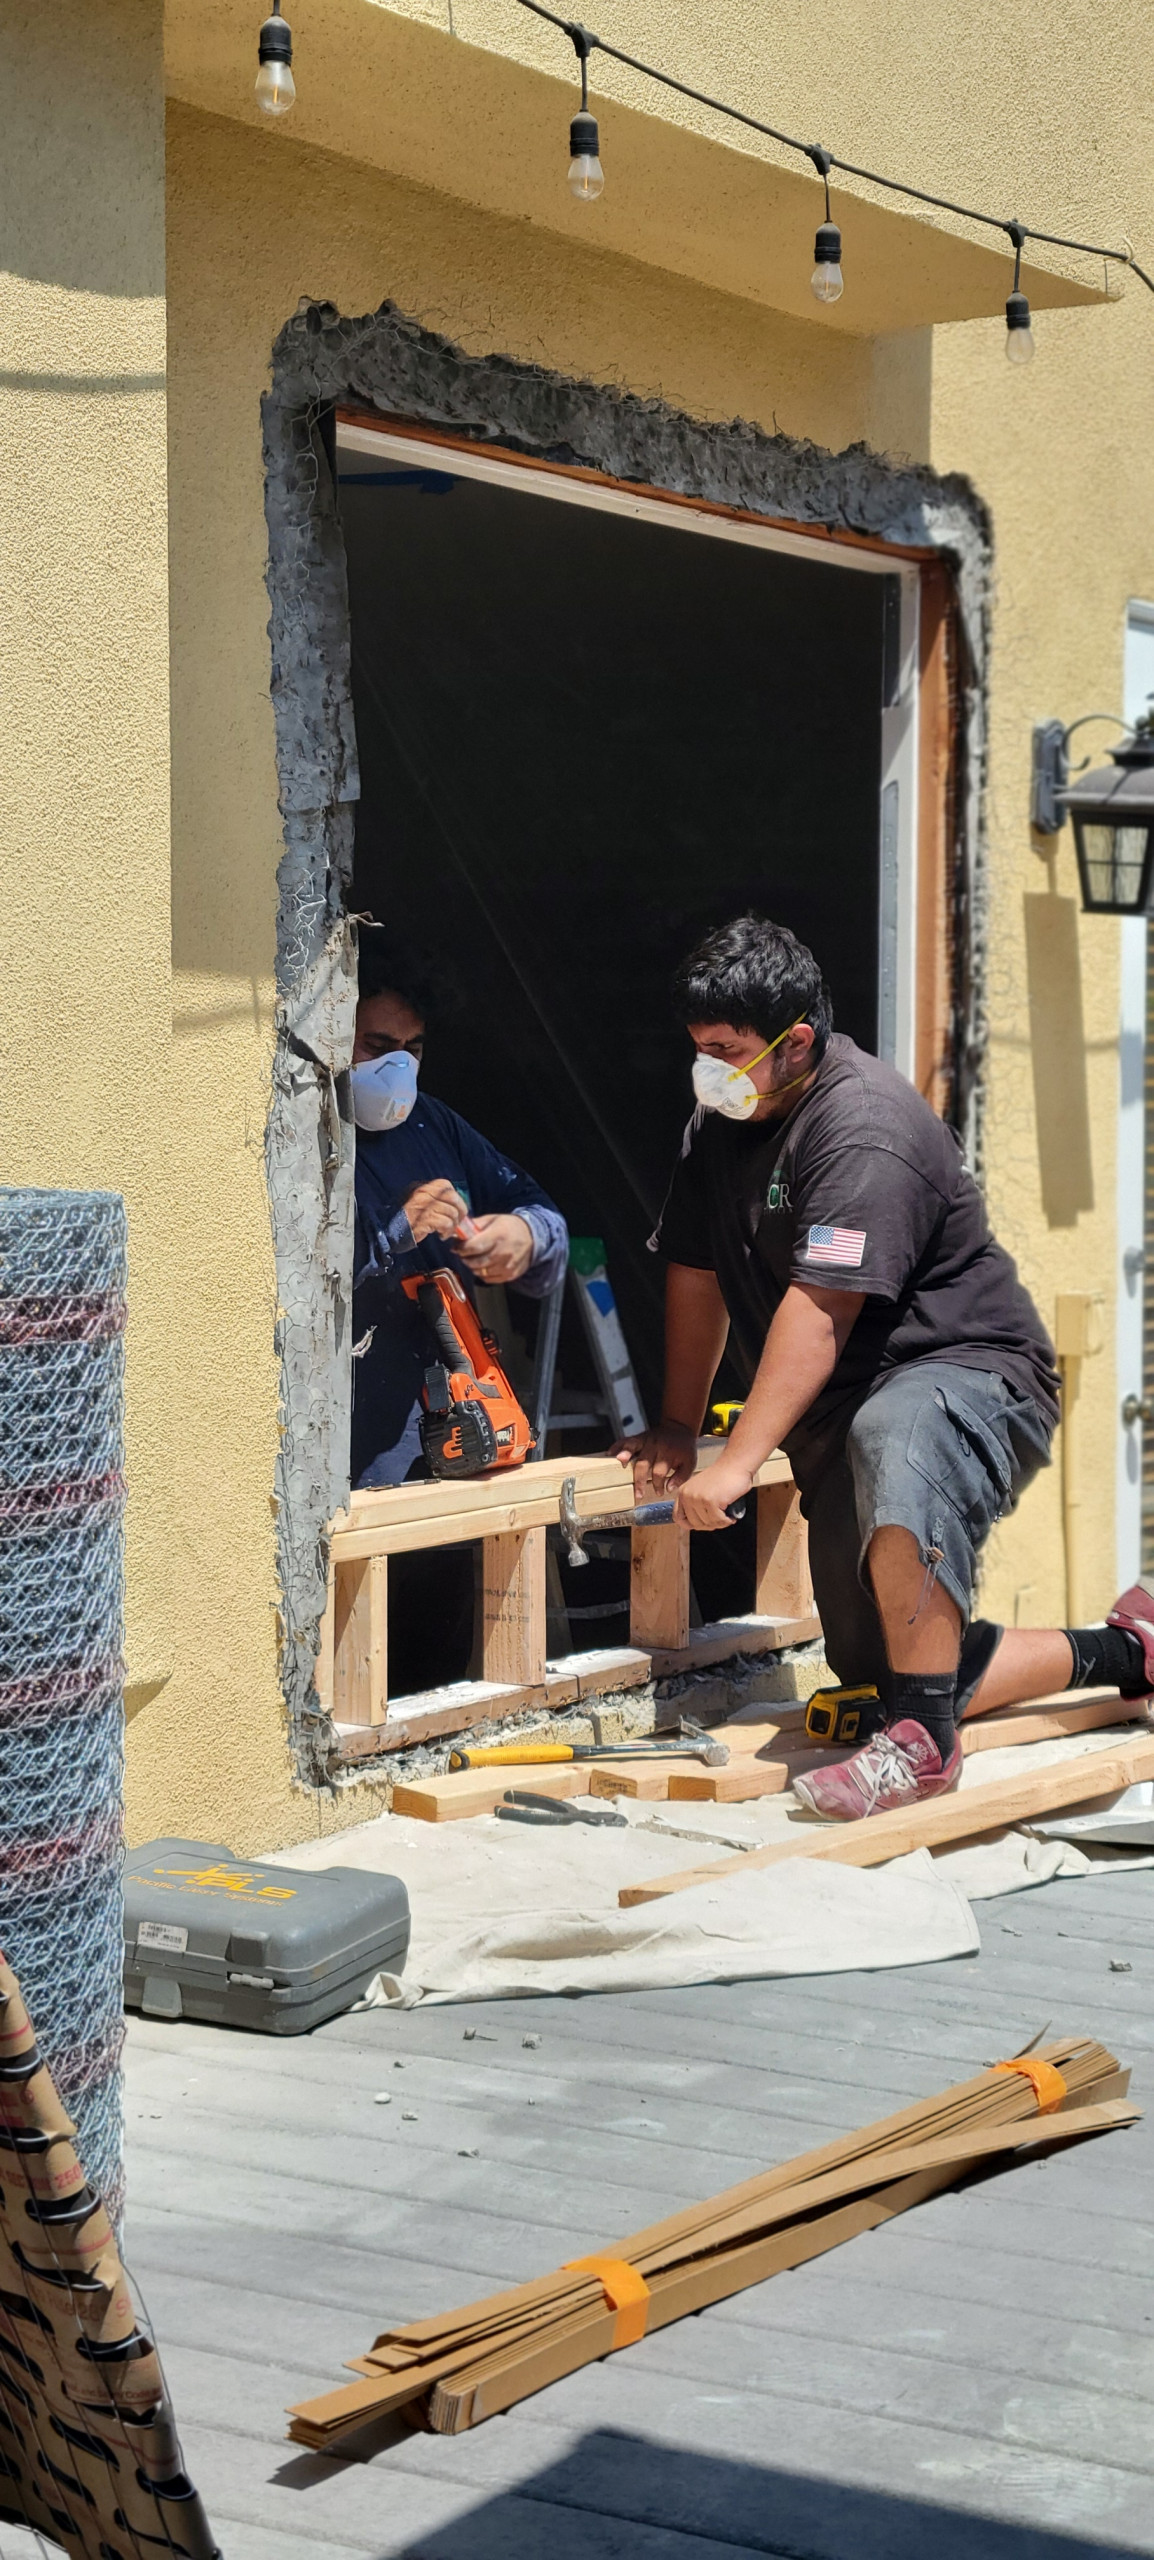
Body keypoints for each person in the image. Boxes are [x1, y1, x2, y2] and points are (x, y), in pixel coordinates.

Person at [616, 912, 1154, 1820]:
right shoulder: (721, 1121)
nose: (707, 1068)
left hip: (965, 1372)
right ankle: (1129, 1652)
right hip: (847, 1404)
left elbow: (820, 1310)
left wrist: (738, 1462)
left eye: (726, 1050)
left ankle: (923, 1752)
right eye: (698, 1048)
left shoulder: (861, 1126)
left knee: (896, 1429)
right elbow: (697, 1274)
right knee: (887, 1667)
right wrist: (677, 1423)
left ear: (795, 1043)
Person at [349, 941, 567, 1690]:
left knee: (437, 1663)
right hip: (352, 1463)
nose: (396, 1070)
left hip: (448, 1442)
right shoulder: (301, 1133)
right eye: (376, 1045)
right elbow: (282, 1277)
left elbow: (544, 1214)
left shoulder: (433, 1125)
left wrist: (522, 1238)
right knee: (358, 1671)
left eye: (412, 1050)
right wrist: (395, 1231)